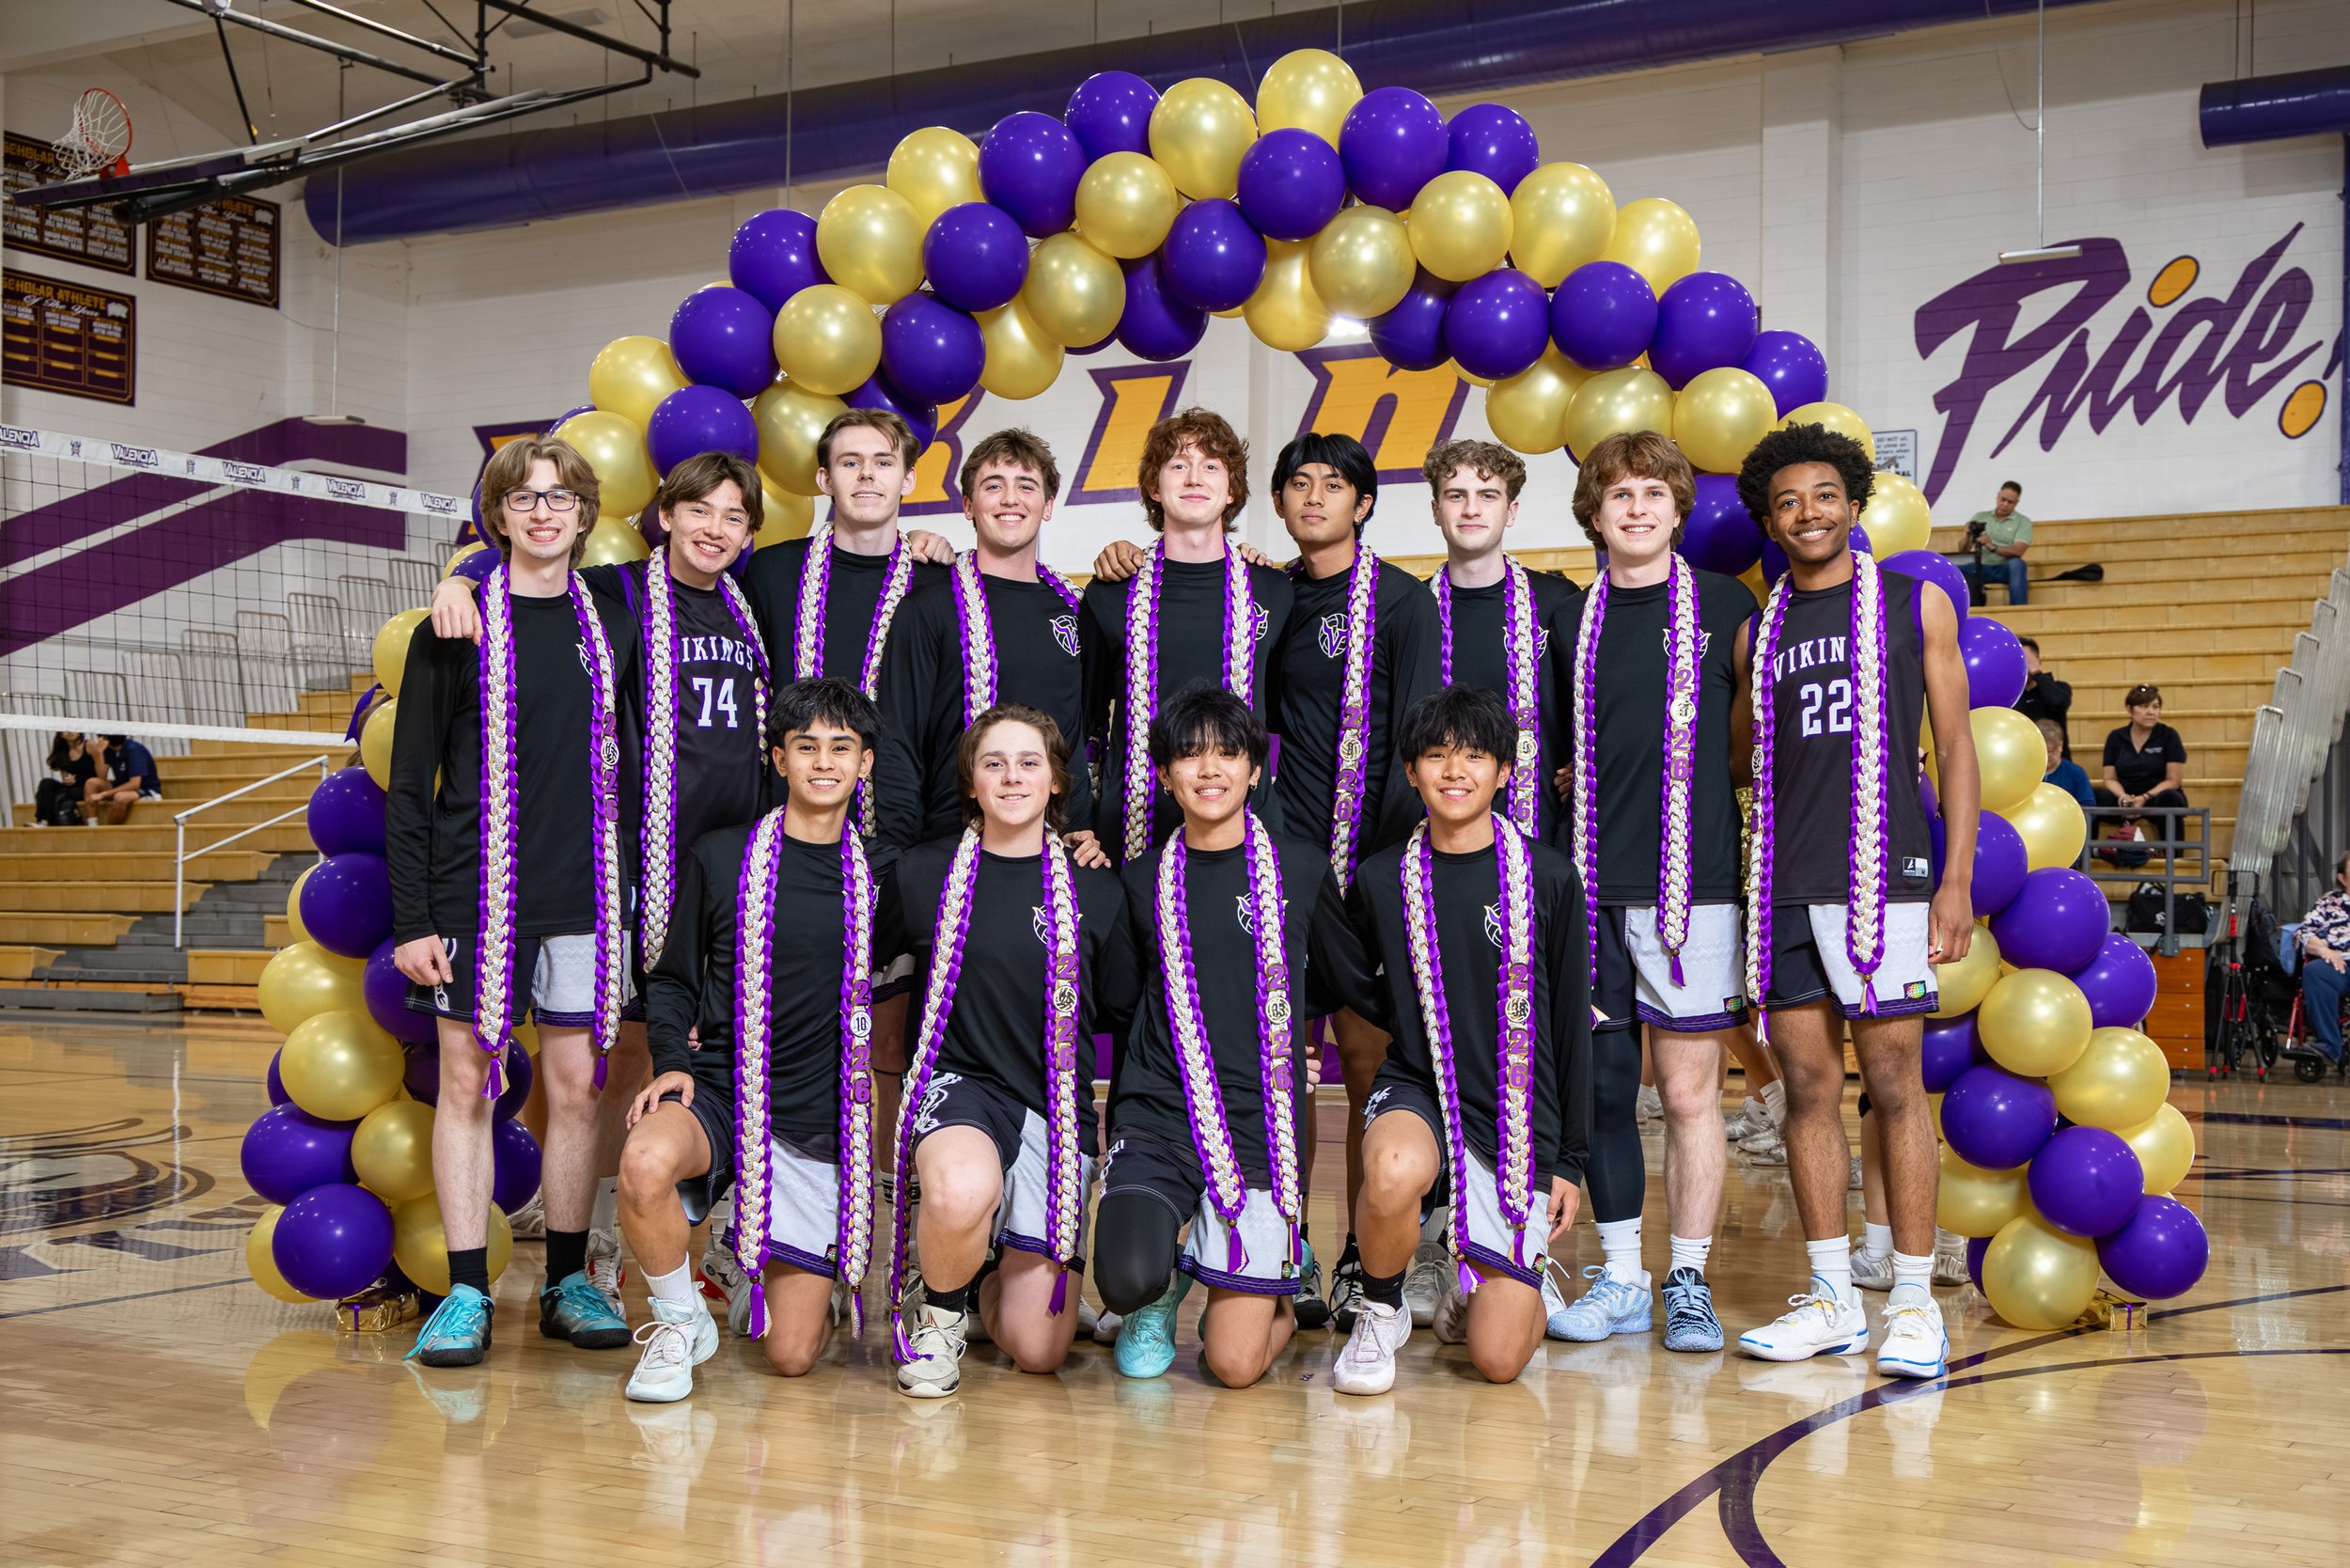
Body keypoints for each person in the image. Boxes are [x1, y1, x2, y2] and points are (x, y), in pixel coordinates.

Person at [431, 449, 776, 1316]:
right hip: (632, 860)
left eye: (733, 516)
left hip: (729, 867)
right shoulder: (618, 592)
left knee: (700, 1053)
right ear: (661, 514)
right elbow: (532, 575)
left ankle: (678, 1243)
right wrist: (463, 577)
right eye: (697, 511)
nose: (714, 529)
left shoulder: (753, 600)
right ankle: (607, 1245)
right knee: (609, 1059)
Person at [1731, 421, 1980, 1382]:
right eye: (1788, 501)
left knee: (1892, 1085)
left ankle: (1913, 1304)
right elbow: (1749, 760)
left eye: (1824, 496)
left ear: (1854, 504)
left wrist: (1953, 879)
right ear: (1768, 519)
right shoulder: (1760, 631)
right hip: (1785, 883)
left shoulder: (1913, 605)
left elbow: (1953, 750)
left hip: (1882, 876)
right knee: (1804, 1089)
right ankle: (1833, 1298)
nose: (1808, 513)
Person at [389, 435, 643, 1368]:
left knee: (579, 1087)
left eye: (560, 498)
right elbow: (411, 783)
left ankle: (569, 1279)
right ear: (497, 517)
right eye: (523, 498)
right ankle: (464, 1291)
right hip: (471, 901)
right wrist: (413, 919)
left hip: (581, 891)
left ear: (584, 516)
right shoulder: (449, 630)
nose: (543, 511)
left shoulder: (612, 626)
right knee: (467, 1084)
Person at [619, 677, 897, 1399]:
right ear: (778, 759)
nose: (825, 762)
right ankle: (680, 1322)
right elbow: (673, 978)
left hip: (814, 1115)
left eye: (842, 747)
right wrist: (673, 1063)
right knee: (646, 1161)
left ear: (866, 763)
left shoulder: (887, 874)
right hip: (722, 1090)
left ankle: (773, 1258)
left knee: (793, 1356)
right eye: (806, 747)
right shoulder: (721, 856)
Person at [1548, 431, 1759, 1355]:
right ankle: (1623, 1276)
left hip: (1693, 887)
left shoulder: (1724, 605)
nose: (1634, 509)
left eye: (1651, 494)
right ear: (1594, 514)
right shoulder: (1570, 618)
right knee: (1601, 1090)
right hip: (1591, 883)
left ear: (1678, 508)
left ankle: (1687, 1279)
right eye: (1617, 495)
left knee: (1685, 1094)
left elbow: (1752, 744)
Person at [1321, 684, 1590, 1394]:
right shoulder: (1381, 878)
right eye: (1436, 756)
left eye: (1474, 755)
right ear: (1411, 771)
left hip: (1514, 1107)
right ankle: (1380, 1311)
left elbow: (1568, 1026)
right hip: (1417, 1083)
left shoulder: (1551, 878)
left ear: (1505, 770)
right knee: (1394, 1170)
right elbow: (1351, 978)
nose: (1454, 771)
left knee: (1499, 1362)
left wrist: (1569, 1159)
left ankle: (1485, 1281)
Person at [738, 409, 952, 1251]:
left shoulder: (941, 585)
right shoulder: (772, 574)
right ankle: (765, 1209)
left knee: (888, 1037)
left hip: (896, 844)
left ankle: (892, 1224)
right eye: (848, 463)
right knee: (779, 1019)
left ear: (908, 480)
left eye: (882, 463)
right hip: (789, 844)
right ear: (822, 480)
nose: (866, 476)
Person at [884, 705, 1140, 1397]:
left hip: (1053, 1109)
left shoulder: (1098, 889)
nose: (1012, 777)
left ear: (1058, 781)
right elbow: (856, 971)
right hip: (961, 1086)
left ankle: (981, 1267)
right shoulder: (921, 874)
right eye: (993, 763)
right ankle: (938, 1320)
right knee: (963, 1185)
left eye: (1030, 763)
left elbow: (1124, 1011)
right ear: (970, 783)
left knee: (1040, 1349)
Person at [1095, 687, 1348, 1385]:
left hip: (1256, 1121)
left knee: (1234, 1368)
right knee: (1122, 1278)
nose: (1209, 770)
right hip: (1159, 1111)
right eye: (1189, 754)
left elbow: (1342, 975)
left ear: (1255, 770)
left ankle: (1265, 1293)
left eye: (1227, 753)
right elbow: (1120, 998)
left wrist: (1287, 1022)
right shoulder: (1141, 879)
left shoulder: (1299, 869)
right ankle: (1162, 1287)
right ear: (1163, 775)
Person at [1080, 408, 1292, 865]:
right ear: (1155, 488)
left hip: (1246, 816)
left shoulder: (1274, 591)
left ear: (1231, 489)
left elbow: (1283, 716)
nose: (1194, 476)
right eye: (1178, 465)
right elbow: (1086, 720)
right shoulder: (1111, 592)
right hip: (1132, 821)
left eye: (1211, 466)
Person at [873, 431, 1098, 855]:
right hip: (950, 839)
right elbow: (898, 739)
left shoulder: (1077, 608)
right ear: (968, 505)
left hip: (1060, 841)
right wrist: (899, 853)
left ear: (1047, 506)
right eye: (993, 485)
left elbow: (1079, 733)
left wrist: (1081, 825)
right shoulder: (929, 607)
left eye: (1026, 486)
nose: (1010, 499)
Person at [1423, 439, 1582, 846]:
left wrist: (1585, 764)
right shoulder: (1412, 609)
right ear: (1436, 510)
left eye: (1487, 495)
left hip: (1545, 836)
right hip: (1436, 842)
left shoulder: (1560, 603)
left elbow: (1594, 705)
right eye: (1456, 495)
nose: (1471, 509)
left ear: (1510, 511)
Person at [2096, 683, 2188, 850]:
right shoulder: (2116, 737)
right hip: (2126, 797)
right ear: (2130, 710)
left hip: (2156, 796)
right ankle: (2091, 854)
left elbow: (2173, 781)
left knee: (2170, 798)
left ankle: (2175, 858)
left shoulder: (2169, 735)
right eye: (2144, 706)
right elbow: (2109, 778)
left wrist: (2145, 798)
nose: (2151, 712)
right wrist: (2123, 797)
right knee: (2095, 796)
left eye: (2156, 707)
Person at [2294, 851, 2350, 1067]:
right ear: (2342, 878)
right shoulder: (2329, 903)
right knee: (2315, 971)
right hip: (2338, 965)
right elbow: (2302, 934)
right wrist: (2326, 951)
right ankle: (2330, 1046)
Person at [1956, 479, 2031, 605]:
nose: (2005, 504)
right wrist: (1967, 534)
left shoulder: (2023, 522)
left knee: (2018, 564)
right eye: (2003, 499)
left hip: (2005, 568)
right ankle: (1964, 610)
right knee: (1956, 570)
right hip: (1981, 567)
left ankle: (2019, 609)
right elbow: (1963, 551)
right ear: (1998, 496)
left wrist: (1992, 546)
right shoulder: (1980, 517)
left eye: (2010, 502)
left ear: (2016, 503)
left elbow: (2019, 551)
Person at [2013, 635, 2070, 756]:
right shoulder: (2012, 695)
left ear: (2038, 661)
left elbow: (2058, 702)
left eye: (2027, 661)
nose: (2024, 666)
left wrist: (2037, 673)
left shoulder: (2059, 687)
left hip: (2056, 763)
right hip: (2021, 761)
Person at [39, 732, 97, 824]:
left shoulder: (89, 745)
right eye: (65, 730)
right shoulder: (62, 752)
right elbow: (65, 778)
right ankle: (43, 821)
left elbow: (100, 768)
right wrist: (68, 781)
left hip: (89, 787)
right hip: (72, 787)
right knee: (46, 783)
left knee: (60, 795)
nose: (70, 732)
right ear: (61, 735)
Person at [2041, 717, 2094, 808]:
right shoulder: (2027, 773)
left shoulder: (2075, 772)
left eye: (2049, 751)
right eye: (2041, 751)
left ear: (2060, 746)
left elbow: (2088, 807)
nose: (2046, 755)